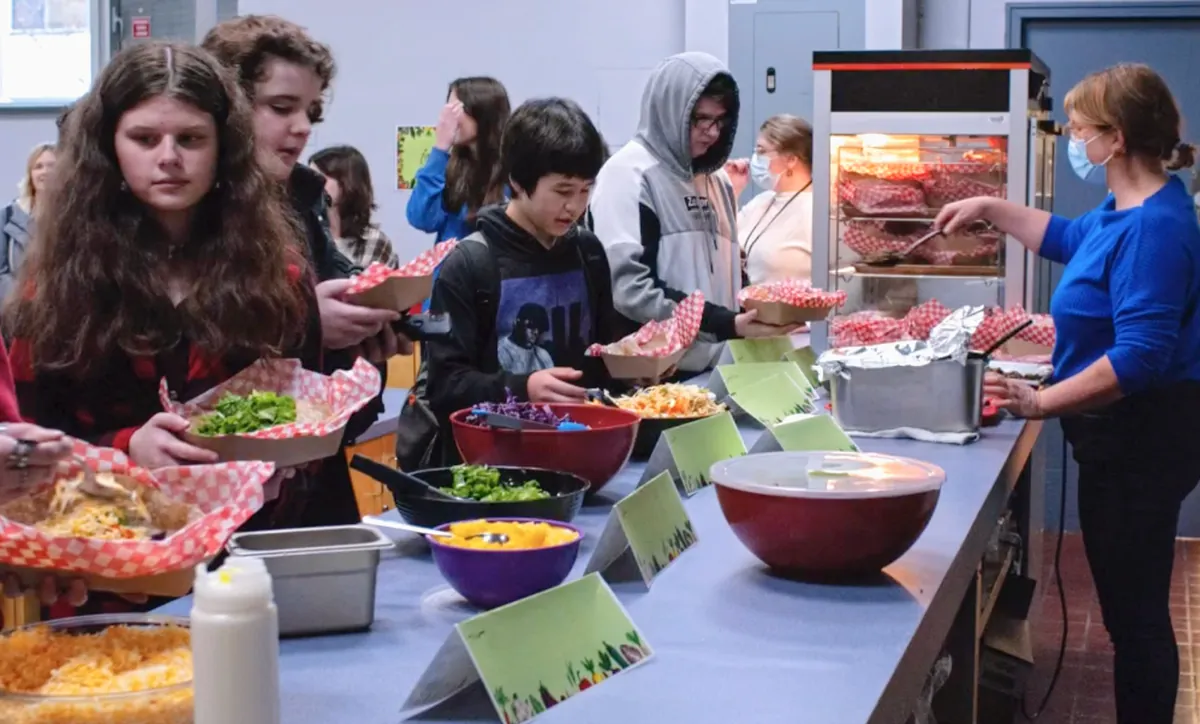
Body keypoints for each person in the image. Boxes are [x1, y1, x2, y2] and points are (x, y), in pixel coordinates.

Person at [4, 42, 335, 612]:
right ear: (109, 147)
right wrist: (126, 447)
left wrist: (280, 461)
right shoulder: (57, 287)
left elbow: (307, 408)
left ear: (223, 148)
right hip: (109, 580)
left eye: (190, 139)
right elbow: (29, 448)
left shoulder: (277, 272)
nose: (169, 158)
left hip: (248, 567)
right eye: (145, 138)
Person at [938, 63, 1200, 724]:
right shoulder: (1124, 210)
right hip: (1118, 437)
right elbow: (1064, 237)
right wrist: (990, 208)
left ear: (1114, 139)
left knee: (1135, 619)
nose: (1074, 140)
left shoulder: (1158, 229)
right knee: (1128, 608)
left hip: (1141, 439)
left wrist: (1037, 404)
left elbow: (1137, 359)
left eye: (1081, 129)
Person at [425, 98, 622, 461]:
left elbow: (602, 356)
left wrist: (636, 368)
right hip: (496, 462)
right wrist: (522, 387)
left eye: (586, 190)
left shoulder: (589, 252)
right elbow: (445, 386)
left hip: (580, 452)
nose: (575, 206)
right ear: (517, 181)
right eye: (563, 191)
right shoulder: (469, 263)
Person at [201, 15, 407, 360]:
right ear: (226, 106)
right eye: (281, 108)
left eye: (312, 112)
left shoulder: (304, 194)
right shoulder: (187, 206)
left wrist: (369, 313)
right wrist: (309, 327)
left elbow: (333, 276)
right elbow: (186, 337)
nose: (303, 127)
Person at [587, 52, 795, 374]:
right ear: (671, 112)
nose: (711, 132)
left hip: (722, 363)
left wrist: (760, 308)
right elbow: (629, 291)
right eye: (700, 119)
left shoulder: (719, 180)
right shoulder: (628, 175)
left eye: (720, 121)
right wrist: (724, 323)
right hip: (654, 377)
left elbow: (729, 273)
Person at [406, 76, 511, 244]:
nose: (448, 119)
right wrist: (440, 148)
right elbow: (422, 219)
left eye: (455, 109)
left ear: (482, 112)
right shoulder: (447, 166)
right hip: (452, 267)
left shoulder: (511, 170)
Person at [723, 114, 815, 285]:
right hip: (746, 308)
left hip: (791, 311)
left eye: (761, 151)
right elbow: (723, 242)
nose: (754, 159)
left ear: (791, 159)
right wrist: (732, 192)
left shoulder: (818, 211)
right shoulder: (761, 201)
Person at [309, 145, 399, 269]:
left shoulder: (373, 240)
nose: (312, 184)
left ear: (346, 183)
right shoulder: (306, 236)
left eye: (320, 177)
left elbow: (361, 285)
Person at [0, 143, 56, 303]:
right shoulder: (7, 215)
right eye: (38, 166)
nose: (45, 171)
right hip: (18, 309)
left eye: (52, 166)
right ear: (30, 174)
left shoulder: (74, 216)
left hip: (60, 308)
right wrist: (19, 296)